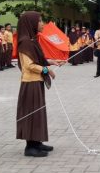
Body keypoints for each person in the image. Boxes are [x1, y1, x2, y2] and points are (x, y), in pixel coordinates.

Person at [16, 11, 64, 157]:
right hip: (30, 84)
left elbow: (37, 59)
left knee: (38, 113)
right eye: (40, 21)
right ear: (31, 23)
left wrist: (51, 61)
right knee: (32, 114)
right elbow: (28, 65)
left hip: (36, 82)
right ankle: (30, 147)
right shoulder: (25, 42)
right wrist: (46, 70)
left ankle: (36, 142)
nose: (42, 24)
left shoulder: (32, 40)